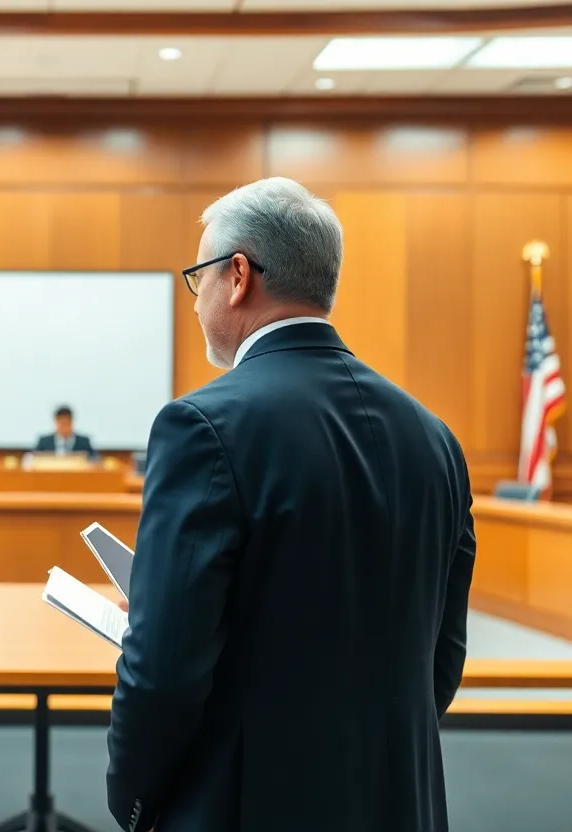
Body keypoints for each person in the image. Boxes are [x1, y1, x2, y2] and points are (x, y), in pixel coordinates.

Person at [106, 177, 475, 832]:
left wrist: (133, 799)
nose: (197, 300)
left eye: (198, 278)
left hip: (249, 805)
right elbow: (440, 659)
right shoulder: (434, 437)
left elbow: (164, 671)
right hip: (402, 800)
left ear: (237, 275)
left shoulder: (203, 426)